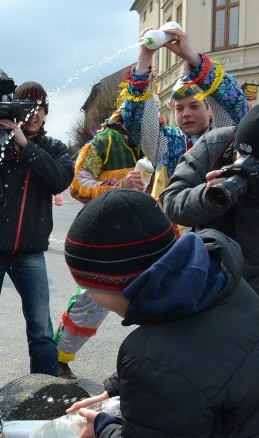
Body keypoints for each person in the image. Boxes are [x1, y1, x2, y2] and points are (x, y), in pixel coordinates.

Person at [63, 189, 259, 438]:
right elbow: (207, 362)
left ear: (116, 281)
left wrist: (104, 428)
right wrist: (117, 389)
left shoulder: (152, 357)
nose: (87, 293)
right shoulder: (221, 281)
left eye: (89, 285)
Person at [0, 81, 72, 396]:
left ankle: (43, 391)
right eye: (28, 107)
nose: (36, 113)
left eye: (41, 106)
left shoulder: (52, 147)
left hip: (31, 251)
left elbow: (59, 180)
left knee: (41, 329)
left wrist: (26, 145)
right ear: (15, 110)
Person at [54, 110, 146, 380]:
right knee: (93, 298)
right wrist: (118, 185)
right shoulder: (106, 140)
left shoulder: (163, 138)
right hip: (108, 233)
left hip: (150, 232)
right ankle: (58, 356)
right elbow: (77, 185)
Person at [121, 25, 247, 188]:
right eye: (179, 108)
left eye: (194, 106)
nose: (186, 114)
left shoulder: (224, 138)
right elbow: (136, 119)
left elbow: (235, 105)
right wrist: (145, 55)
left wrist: (191, 57)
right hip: (174, 213)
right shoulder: (166, 143)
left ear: (210, 111)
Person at [161, 104, 259, 294]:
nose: (244, 167)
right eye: (241, 157)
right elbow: (170, 202)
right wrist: (207, 196)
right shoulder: (214, 145)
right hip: (211, 269)